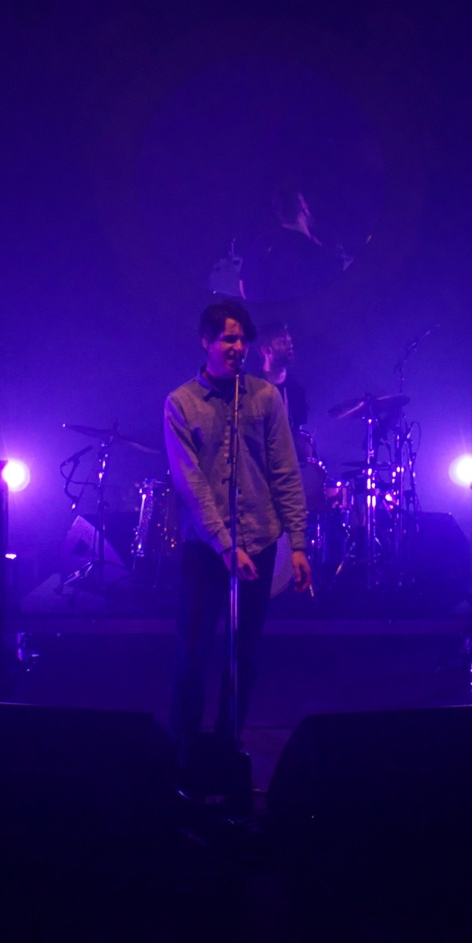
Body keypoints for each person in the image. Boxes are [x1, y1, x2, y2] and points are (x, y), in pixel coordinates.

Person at [164, 299, 312, 783]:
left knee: (243, 655)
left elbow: (285, 471)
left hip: (260, 542)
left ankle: (229, 742)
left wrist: (298, 544)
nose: (237, 346)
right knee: (193, 653)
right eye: (228, 338)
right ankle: (186, 750)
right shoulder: (181, 403)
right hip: (206, 550)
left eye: (242, 338)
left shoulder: (265, 397)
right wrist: (225, 544)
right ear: (206, 341)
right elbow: (190, 484)